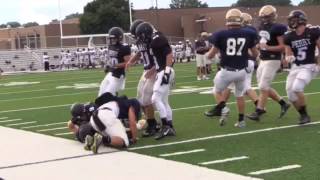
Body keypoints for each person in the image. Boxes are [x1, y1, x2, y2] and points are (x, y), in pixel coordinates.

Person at [204, 8, 259, 128]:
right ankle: (241, 121)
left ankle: (223, 108)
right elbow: (255, 54)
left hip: (227, 71)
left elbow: (211, 54)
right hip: (242, 71)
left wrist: (208, 56)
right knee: (239, 95)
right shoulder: (249, 33)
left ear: (227, 20)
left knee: (216, 91)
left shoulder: (220, 34)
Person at [247, 5, 291, 121]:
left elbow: (282, 46)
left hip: (273, 59)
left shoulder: (278, 28)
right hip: (263, 59)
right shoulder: (261, 27)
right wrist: (259, 46)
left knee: (263, 86)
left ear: (272, 16)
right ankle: (283, 103)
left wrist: (267, 47)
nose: (264, 19)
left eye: (266, 17)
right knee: (263, 86)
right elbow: (261, 43)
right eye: (263, 17)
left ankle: (259, 110)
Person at [135, 22, 176, 139]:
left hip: (164, 71)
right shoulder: (154, 39)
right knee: (164, 101)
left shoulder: (157, 39)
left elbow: (169, 55)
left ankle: (166, 126)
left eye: (142, 36)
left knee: (155, 98)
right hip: (160, 71)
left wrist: (167, 72)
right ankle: (170, 127)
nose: (142, 40)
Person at [284, 10, 320, 124]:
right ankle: (302, 114)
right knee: (290, 94)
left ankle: (305, 115)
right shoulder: (289, 36)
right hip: (296, 66)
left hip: (309, 66)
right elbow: (288, 52)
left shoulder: (312, 32)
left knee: (297, 87)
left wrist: (319, 64)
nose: (291, 22)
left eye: (293, 19)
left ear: (301, 20)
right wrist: (288, 57)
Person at [127, 19, 159, 137]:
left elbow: (160, 56)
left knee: (146, 98)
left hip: (153, 70)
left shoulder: (153, 39)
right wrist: (131, 61)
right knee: (140, 97)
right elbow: (141, 52)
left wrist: (153, 70)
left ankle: (152, 125)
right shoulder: (141, 39)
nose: (136, 38)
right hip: (146, 69)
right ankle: (151, 120)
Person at [98, 27, 131, 96]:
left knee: (108, 95)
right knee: (101, 92)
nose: (112, 40)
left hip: (118, 75)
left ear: (119, 38)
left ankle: (119, 105)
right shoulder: (110, 46)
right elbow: (112, 59)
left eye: (113, 38)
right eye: (111, 38)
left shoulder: (124, 47)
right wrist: (108, 66)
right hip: (111, 73)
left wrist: (115, 65)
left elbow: (128, 62)